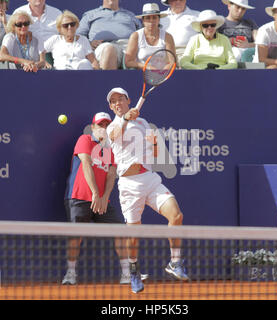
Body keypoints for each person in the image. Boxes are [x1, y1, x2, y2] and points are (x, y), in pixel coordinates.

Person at [106, 87, 189, 294]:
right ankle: (133, 269)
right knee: (134, 233)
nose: (117, 103)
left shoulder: (143, 123)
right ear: (111, 107)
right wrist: (126, 118)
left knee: (176, 215)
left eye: (120, 99)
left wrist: (150, 144)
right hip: (128, 185)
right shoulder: (112, 127)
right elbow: (116, 134)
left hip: (150, 179)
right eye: (113, 101)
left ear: (128, 100)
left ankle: (175, 262)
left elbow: (156, 150)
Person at [62, 112, 134, 286]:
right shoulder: (84, 140)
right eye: (100, 125)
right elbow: (86, 164)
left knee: (120, 232)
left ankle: (126, 274)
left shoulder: (110, 149)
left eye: (106, 125)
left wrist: (104, 197)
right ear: (93, 127)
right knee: (75, 237)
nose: (103, 128)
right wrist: (95, 193)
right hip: (79, 198)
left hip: (101, 201)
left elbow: (111, 175)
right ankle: (70, 273)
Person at [77, 0, 142, 70]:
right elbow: (78, 37)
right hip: (104, 47)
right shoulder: (90, 15)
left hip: (128, 47)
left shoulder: (131, 15)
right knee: (109, 50)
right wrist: (89, 43)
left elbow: (142, 34)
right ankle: (107, 80)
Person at [124, 3, 176, 70]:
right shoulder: (135, 36)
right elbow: (128, 62)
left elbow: (172, 62)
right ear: (143, 20)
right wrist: (147, 67)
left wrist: (162, 72)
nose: (151, 21)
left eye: (154, 18)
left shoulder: (168, 37)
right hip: (141, 74)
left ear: (159, 20)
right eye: (148, 18)